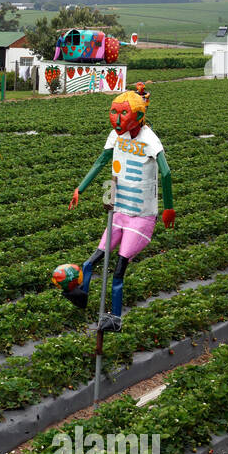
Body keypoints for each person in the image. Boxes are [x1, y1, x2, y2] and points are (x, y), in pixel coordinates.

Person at [64, 91, 175, 332]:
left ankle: (115, 319)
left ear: (137, 116)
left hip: (141, 217)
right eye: (114, 112)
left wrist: (169, 208)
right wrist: (79, 189)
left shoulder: (149, 139)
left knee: (118, 269)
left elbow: (165, 173)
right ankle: (81, 297)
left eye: (123, 113)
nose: (117, 119)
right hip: (118, 212)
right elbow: (100, 162)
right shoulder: (115, 137)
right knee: (91, 260)